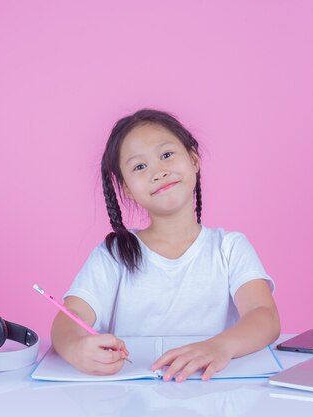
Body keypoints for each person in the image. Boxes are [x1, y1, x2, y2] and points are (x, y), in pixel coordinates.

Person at [51, 109, 280, 382]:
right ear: (125, 188)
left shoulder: (229, 248)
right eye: (139, 166)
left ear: (194, 159)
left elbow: (263, 315)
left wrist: (220, 347)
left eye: (167, 155)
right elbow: (70, 317)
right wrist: (76, 348)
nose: (158, 172)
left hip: (214, 393)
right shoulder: (113, 255)